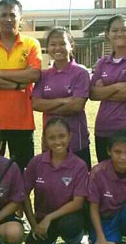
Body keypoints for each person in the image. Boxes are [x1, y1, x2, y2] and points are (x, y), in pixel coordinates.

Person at [0, 0, 41, 170]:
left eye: (12, 15)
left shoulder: (31, 44)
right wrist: (18, 84)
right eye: (3, 15)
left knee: (23, 172)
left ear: (21, 18)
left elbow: (34, 74)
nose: (8, 19)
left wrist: (2, 73)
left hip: (22, 121)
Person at [22, 118, 89, 244]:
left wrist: (50, 217)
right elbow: (24, 195)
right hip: (43, 218)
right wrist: (34, 224)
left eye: (62, 136)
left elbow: (78, 203)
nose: (57, 142)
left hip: (69, 217)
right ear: (45, 139)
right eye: (51, 138)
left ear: (69, 136)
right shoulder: (36, 162)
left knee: (70, 225)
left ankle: (73, 242)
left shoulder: (79, 165)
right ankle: (49, 240)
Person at [90, 15, 126, 164]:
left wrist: (104, 91)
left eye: (124, 29)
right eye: (114, 30)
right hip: (104, 129)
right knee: (105, 177)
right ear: (107, 34)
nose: (119, 34)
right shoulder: (103, 62)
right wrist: (119, 86)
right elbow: (92, 93)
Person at [31, 27, 91, 169]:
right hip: (50, 142)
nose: (57, 48)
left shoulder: (80, 73)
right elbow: (36, 104)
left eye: (62, 43)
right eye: (53, 44)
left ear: (71, 45)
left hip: (76, 142)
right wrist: (64, 100)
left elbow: (76, 106)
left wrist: (49, 106)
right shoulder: (44, 75)